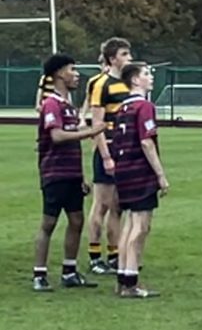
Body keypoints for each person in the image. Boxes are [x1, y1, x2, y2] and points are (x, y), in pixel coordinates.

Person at [33, 54, 106, 292]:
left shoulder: (68, 106)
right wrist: (91, 132)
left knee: (76, 220)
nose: (76, 74)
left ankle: (69, 271)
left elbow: (73, 144)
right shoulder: (51, 104)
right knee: (49, 223)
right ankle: (39, 274)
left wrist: (82, 176)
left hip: (72, 173)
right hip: (54, 172)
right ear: (59, 74)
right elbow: (57, 136)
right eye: (72, 70)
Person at [113, 63, 169, 298]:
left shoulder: (121, 108)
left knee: (129, 224)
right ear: (135, 80)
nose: (150, 77)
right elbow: (146, 142)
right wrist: (160, 175)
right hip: (140, 171)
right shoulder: (144, 107)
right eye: (146, 74)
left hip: (123, 171)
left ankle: (123, 277)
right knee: (141, 226)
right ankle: (132, 283)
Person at [87, 37, 133, 274]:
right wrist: (105, 156)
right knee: (101, 205)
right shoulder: (101, 84)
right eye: (124, 55)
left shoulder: (128, 84)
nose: (129, 59)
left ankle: (114, 254)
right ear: (112, 58)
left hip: (124, 151)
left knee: (118, 206)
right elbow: (97, 124)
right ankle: (95, 256)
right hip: (108, 149)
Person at [79, 53, 109, 123]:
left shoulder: (122, 80)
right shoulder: (94, 81)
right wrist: (82, 118)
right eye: (104, 63)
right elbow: (87, 99)